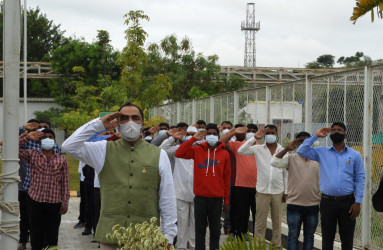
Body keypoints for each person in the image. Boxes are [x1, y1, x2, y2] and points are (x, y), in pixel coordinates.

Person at [61, 103, 177, 249]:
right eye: (124, 118)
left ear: (142, 123)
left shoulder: (159, 154)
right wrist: (99, 124)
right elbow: (68, 146)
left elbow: (167, 197)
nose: (130, 122)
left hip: (147, 236)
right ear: (117, 123)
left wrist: (168, 236)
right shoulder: (103, 150)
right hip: (111, 235)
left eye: (135, 118)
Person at [297, 122, 365, 250]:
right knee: (327, 238)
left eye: (339, 130)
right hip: (327, 202)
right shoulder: (321, 152)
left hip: (348, 203)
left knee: (347, 238)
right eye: (333, 130)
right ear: (329, 134)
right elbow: (301, 151)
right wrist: (316, 135)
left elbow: (360, 178)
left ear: (345, 135)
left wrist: (358, 202)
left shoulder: (355, 155)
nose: (335, 132)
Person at [175, 123, 230, 250]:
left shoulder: (224, 154)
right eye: (208, 134)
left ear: (218, 135)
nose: (211, 136)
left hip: (217, 199)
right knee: (199, 231)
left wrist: (226, 201)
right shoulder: (197, 150)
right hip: (200, 198)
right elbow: (179, 153)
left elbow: (227, 179)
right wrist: (194, 138)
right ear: (205, 136)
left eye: (214, 134)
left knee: (215, 231)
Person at [19, 129, 69, 250]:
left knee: (52, 237)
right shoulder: (32, 154)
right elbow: (11, 149)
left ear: (55, 141)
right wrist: (28, 138)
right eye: (44, 137)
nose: (47, 139)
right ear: (40, 142)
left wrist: (65, 202)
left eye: (50, 137)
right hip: (36, 202)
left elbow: (65, 183)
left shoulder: (62, 159)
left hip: (54, 204)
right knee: (36, 236)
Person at [238, 125, 287, 247]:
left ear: (277, 134)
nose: (270, 135)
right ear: (264, 135)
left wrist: (286, 191)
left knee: (277, 223)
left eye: (272, 133)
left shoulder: (283, 150)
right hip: (262, 191)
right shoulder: (258, 149)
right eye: (268, 133)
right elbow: (241, 150)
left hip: (278, 191)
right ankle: (258, 247)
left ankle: (276, 247)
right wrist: (254, 138)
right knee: (260, 223)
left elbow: (286, 173)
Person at [271, 132, 320, 250]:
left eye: (306, 141)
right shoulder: (291, 158)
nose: (303, 143)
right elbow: (274, 162)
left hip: (313, 205)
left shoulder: (318, 159)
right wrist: (287, 148)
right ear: (296, 142)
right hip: (294, 205)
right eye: (300, 141)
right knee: (293, 236)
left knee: (309, 237)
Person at [160, 126, 197, 250]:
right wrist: (172, 138)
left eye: (194, 134)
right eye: (189, 134)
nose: (191, 137)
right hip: (179, 191)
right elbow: (162, 150)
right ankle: (181, 246)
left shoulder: (201, 150)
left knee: (194, 223)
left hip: (197, 192)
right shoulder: (177, 149)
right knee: (181, 222)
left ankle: (193, 246)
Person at [219, 124, 258, 240]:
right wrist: (233, 131)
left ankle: (257, 236)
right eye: (249, 131)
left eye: (253, 131)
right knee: (241, 211)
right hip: (240, 184)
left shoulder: (261, 147)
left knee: (257, 212)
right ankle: (239, 232)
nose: (251, 133)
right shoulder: (237, 145)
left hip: (258, 186)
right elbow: (220, 142)